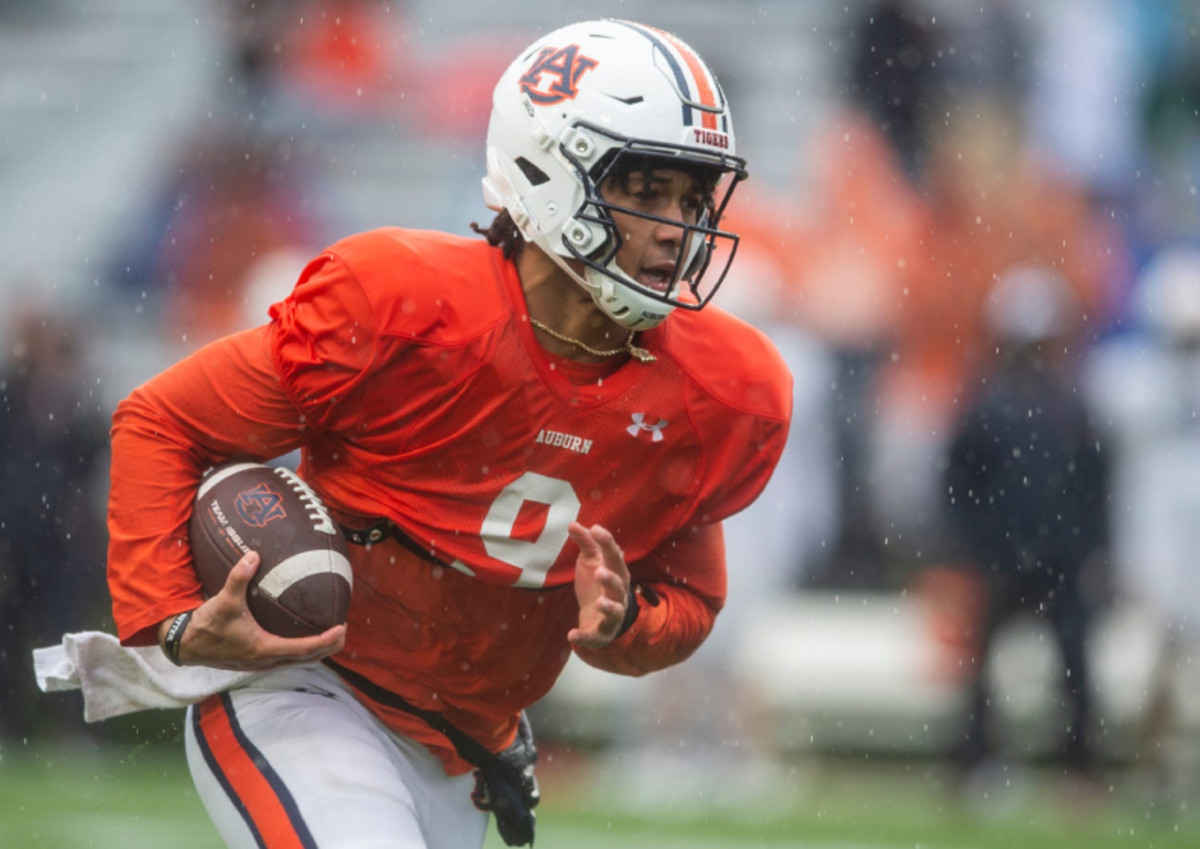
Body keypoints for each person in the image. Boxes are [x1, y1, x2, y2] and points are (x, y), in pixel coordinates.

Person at [102, 19, 791, 849]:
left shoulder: (716, 390)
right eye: (645, 190)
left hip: (472, 745)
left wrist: (624, 629)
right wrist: (173, 619)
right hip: (310, 686)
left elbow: (688, 600)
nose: (677, 228)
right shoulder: (405, 306)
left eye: (690, 197)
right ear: (548, 170)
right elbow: (163, 419)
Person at [942, 265, 1109, 790]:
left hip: (1054, 556)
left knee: (1074, 663)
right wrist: (970, 547)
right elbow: (958, 484)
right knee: (984, 666)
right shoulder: (990, 405)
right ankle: (978, 763)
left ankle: (1077, 764)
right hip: (1006, 557)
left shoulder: (1072, 406)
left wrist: (1093, 550)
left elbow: (1094, 486)